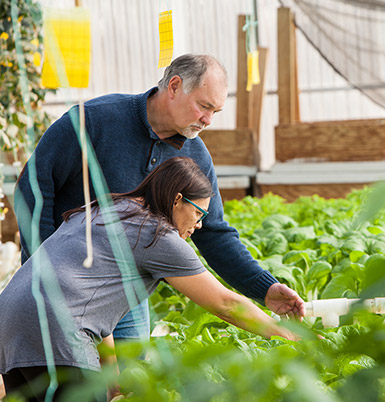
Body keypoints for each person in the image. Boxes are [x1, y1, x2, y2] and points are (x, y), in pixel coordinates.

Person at [15, 54, 304, 344]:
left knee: (125, 382)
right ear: (175, 86)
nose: (208, 120)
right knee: (61, 378)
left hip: (127, 297)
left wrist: (263, 288)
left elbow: (214, 234)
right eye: (204, 106)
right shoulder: (94, 121)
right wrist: (44, 268)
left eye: (216, 111)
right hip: (61, 286)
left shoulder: (196, 156)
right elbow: (32, 189)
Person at [1, 157, 298, 401]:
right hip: (58, 330)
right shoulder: (157, 235)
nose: (199, 224)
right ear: (177, 200)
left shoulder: (111, 209)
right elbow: (225, 303)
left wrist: (112, 378)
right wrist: (289, 337)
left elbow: (92, 306)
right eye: (198, 213)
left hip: (10, 323)